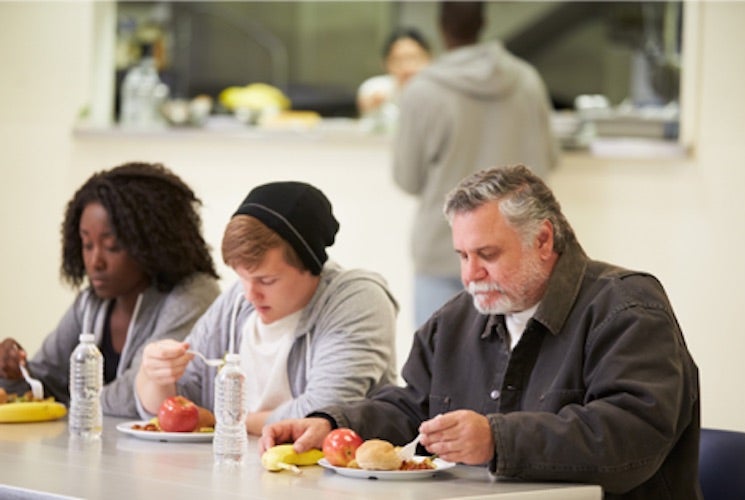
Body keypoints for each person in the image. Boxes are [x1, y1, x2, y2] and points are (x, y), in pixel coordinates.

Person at [261, 165, 701, 499]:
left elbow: (633, 434)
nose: (470, 275)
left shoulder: (626, 308)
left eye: (487, 254)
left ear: (544, 240)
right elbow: (413, 405)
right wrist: (333, 424)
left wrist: (497, 439)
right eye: (462, 255)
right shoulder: (455, 321)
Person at [136, 181, 399, 435]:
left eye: (267, 280)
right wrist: (154, 376)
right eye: (242, 278)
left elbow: (324, 412)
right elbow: (180, 406)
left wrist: (222, 421)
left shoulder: (358, 299)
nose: (250, 294)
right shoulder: (237, 301)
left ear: (311, 267)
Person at [0, 162, 220, 417]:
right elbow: (45, 382)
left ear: (151, 245)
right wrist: (14, 373)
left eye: (112, 246)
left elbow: (134, 397)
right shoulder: (91, 303)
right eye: (86, 244)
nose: (95, 262)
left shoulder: (192, 296)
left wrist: (73, 405)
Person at [393, 2, 559, 327]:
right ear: (484, 22)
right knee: (519, 366)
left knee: (439, 364)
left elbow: (407, 179)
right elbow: (548, 161)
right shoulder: (526, 80)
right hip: (515, 252)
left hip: (445, 250)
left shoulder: (422, 90)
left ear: (440, 26)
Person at [357, 26, 432, 132]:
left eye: (413, 58)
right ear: (386, 63)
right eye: (399, 60)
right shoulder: (375, 88)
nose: (407, 67)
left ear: (429, 58)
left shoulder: (440, 92)